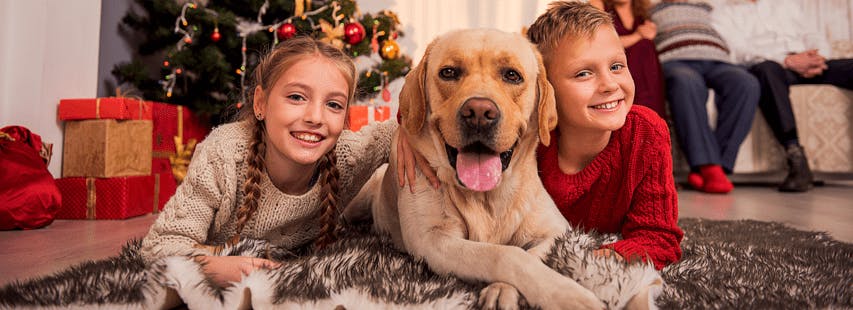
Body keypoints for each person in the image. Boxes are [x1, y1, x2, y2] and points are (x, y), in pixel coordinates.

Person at [401, 1, 682, 271]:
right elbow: (422, 101)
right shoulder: (530, 138)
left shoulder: (645, 133)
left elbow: (659, 237)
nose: (610, 84)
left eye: (617, 66)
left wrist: (590, 260)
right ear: (544, 93)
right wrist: (403, 131)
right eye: (584, 73)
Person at [140, 37, 398, 287]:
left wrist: (405, 138)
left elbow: (398, 129)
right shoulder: (224, 155)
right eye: (297, 97)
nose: (315, 117)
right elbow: (160, 246)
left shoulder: (347, 155)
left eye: (333, 104)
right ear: (261, 103)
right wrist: (216, 268)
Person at [712, 0, 853, 192]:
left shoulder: (787, 4)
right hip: (773, 67)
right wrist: (787, 61)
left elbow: (813, 34)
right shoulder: (723, 14)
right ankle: (795, 157)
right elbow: (737, 52)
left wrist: (817, 59)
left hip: (810, 63)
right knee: (766, 70)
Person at [649, 0, 759, 193]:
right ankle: (709, 168)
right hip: (675, 59)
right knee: (686, 82)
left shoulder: (706, 6)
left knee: (746, 83)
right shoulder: (649, 8)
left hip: (717, 59)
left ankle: (717, 167)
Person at [589, 0, 667, 118]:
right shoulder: (598, 4)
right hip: (616, 69)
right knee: (643, 45)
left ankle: (652, 117)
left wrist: (650, 32)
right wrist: (637, 36)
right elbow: (601, 42)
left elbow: (649, 34)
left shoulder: (643, 11)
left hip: (647, 73)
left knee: (646, 46)